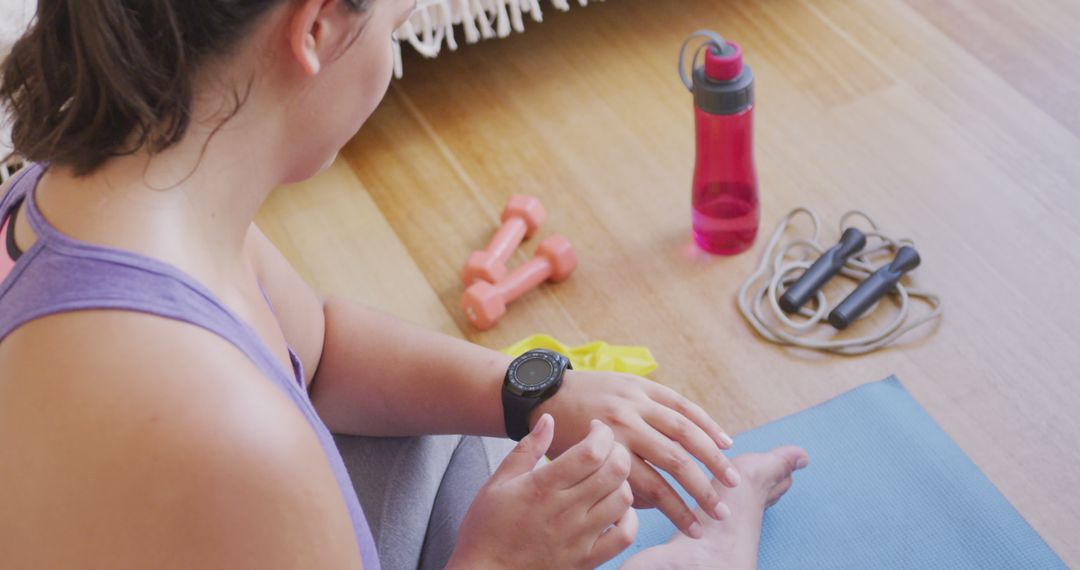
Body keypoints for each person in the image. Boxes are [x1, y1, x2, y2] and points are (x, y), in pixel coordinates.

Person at [0, 1, 808, 568]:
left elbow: (317, 350)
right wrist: (500, 560)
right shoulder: (230, 433)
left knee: (454, 437)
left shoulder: (92, 199)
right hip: (239, 502)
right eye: (397, 26)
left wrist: (531, 392)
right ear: (315, 27)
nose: (391, 55)